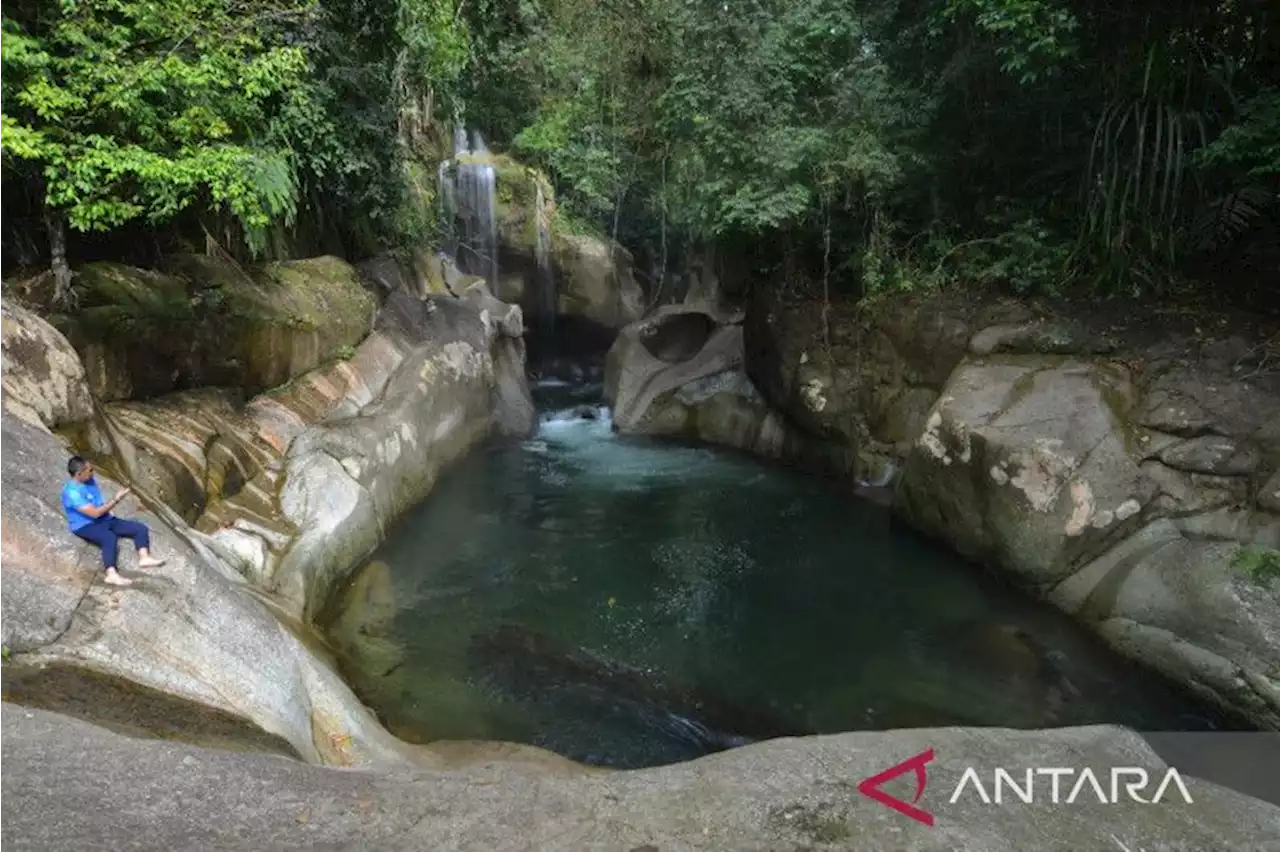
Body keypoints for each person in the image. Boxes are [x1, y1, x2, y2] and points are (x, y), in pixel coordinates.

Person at [61, 456, 164, 586]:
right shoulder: (72, 493)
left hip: (104, 518)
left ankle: (144, 558)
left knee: (139, 528)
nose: (93, 472)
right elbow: (95, 513)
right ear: (79, 474)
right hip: (85, 525)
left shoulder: (89, 480)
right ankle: (111, 574)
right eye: (90, 470)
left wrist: (107, 511)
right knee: (109, 538)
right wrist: (116, 499)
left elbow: (97, 503)